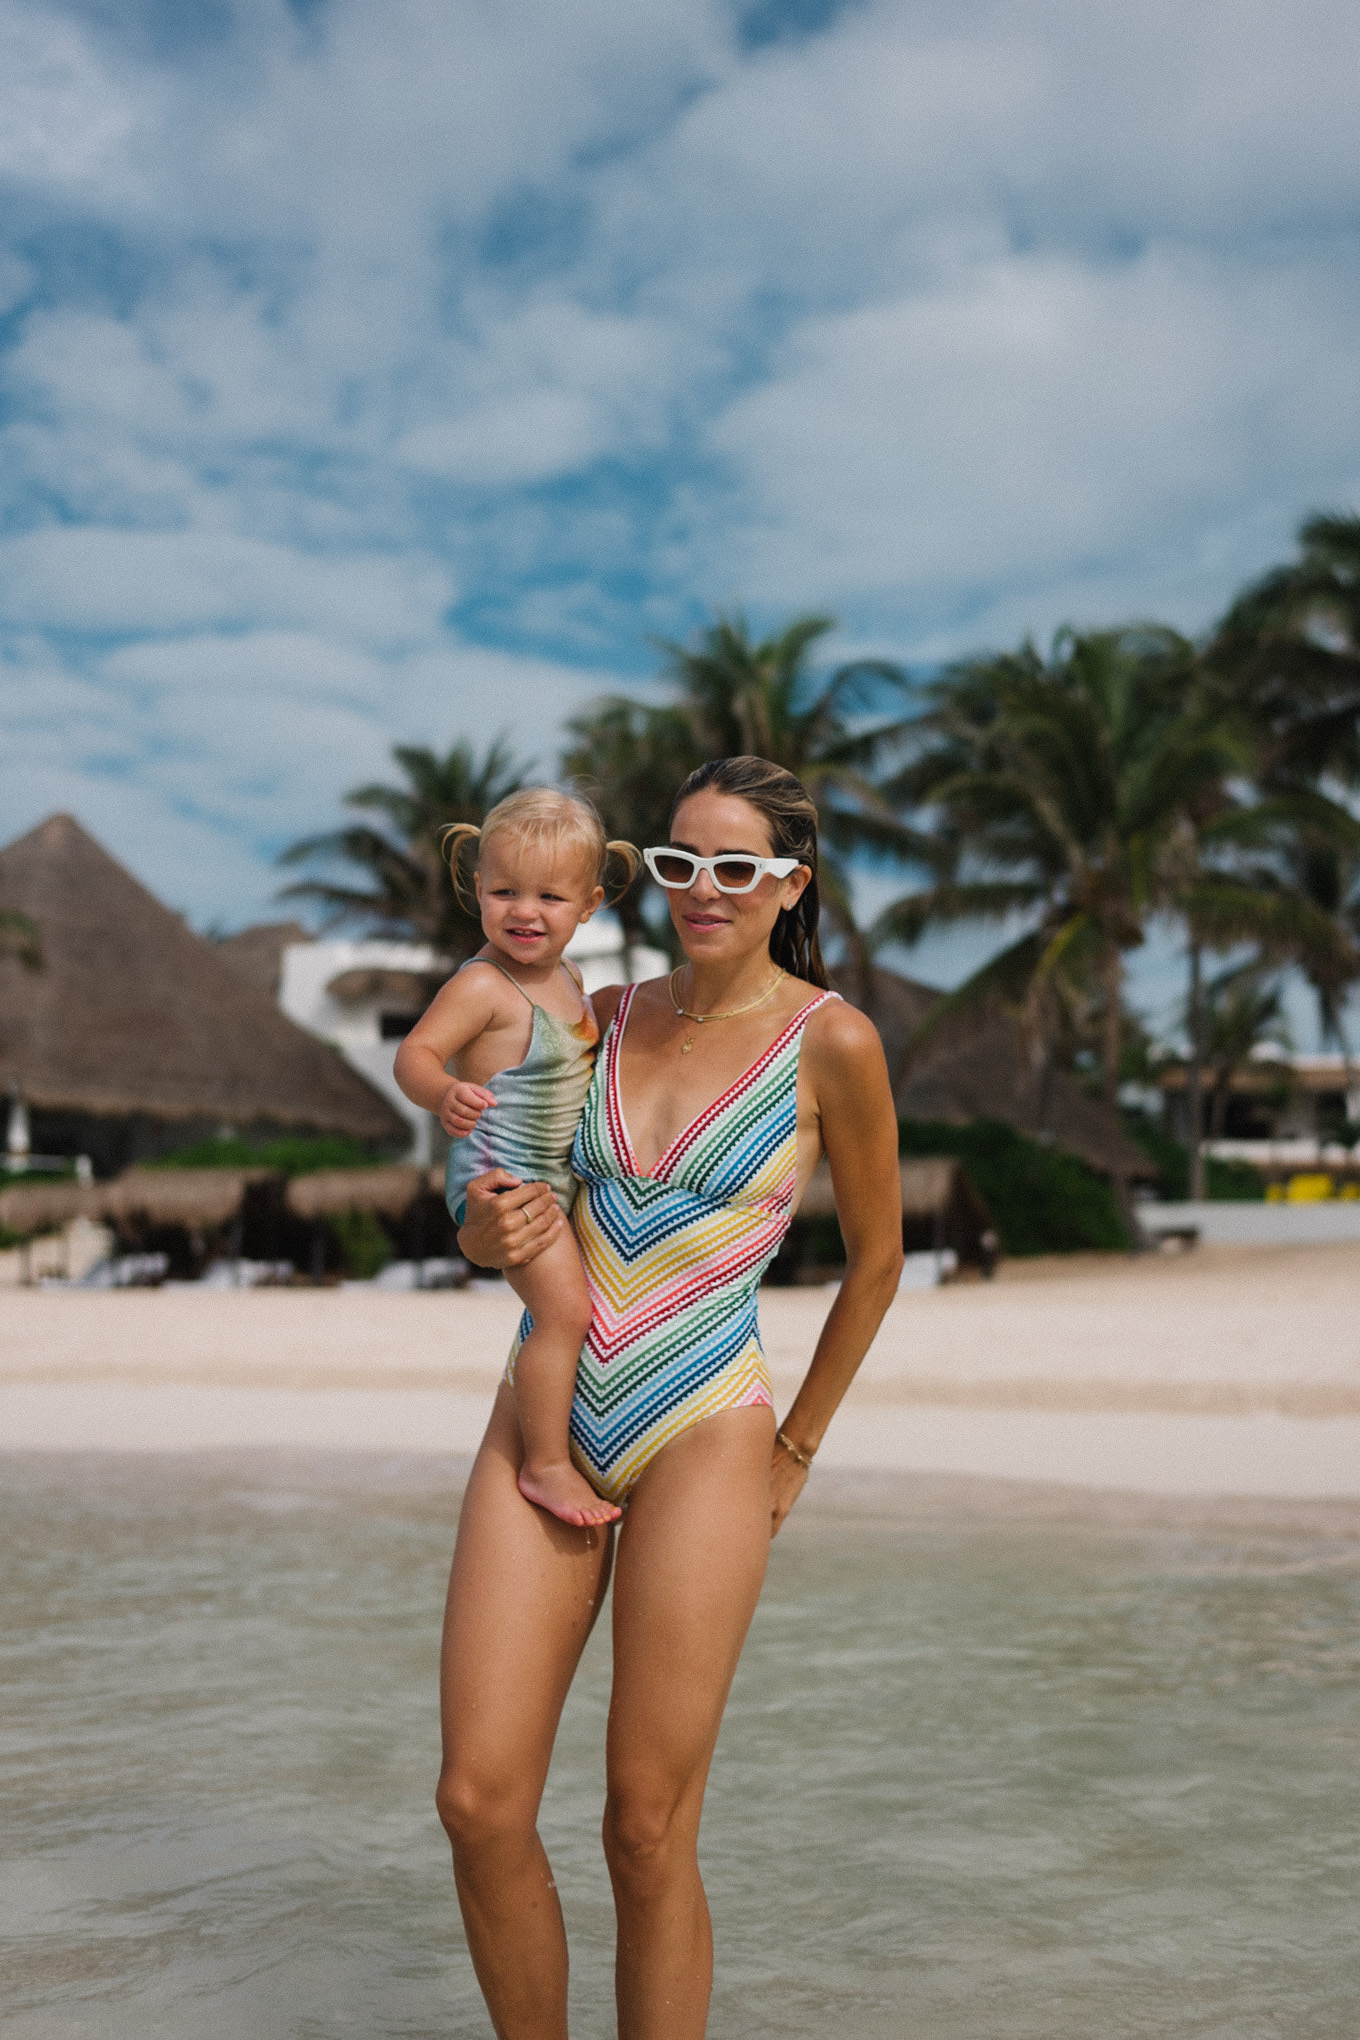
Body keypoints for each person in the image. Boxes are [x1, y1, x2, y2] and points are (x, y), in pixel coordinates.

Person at [438, 756, 904, 2039]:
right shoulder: (599, 1010)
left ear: (788, 882)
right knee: (478, 1804)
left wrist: (796, 1447)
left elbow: (877, 1265)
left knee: (643, 1827)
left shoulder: (835, 1041)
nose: (704, 890)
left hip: (706, 1423)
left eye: (737, 867)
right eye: (680, 862)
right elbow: (508, 1193)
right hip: (544, 1417)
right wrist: (486, 1235)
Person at [394, 787, 638, 1530]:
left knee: (568, 1312)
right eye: (505, 891)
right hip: (503, 1182)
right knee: (564, 1314)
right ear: (477, 890)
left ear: (590, 904)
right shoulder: (482, 985)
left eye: (550, 897)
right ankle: (544, 1464)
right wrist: (442, 1094)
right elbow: (415, 1054)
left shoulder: (570, 985)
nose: (524, 911)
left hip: (553, 1181)